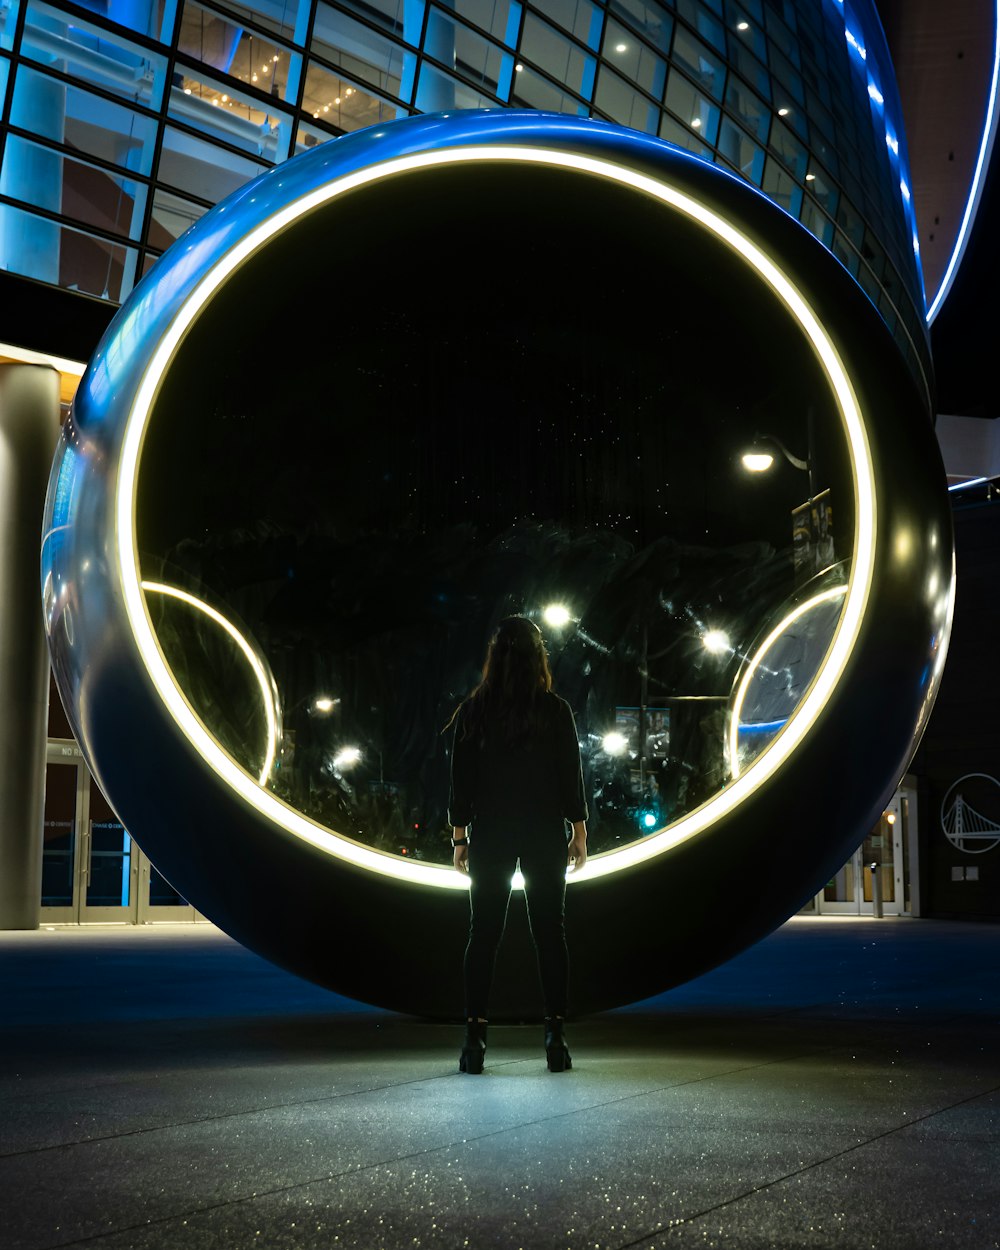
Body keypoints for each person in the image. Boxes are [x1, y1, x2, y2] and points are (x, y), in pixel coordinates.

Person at [446, 615, 588, 1074]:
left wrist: (460, 836)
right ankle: (556, 1036)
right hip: (544, 832)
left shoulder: (474, 712)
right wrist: (578, 830)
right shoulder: (555, 710)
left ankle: (474, 1040)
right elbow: (571, 776)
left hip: (492, 832)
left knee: (482, 935)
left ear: (495, 658)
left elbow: (460, 781)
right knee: (551, 933)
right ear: (538, 658)